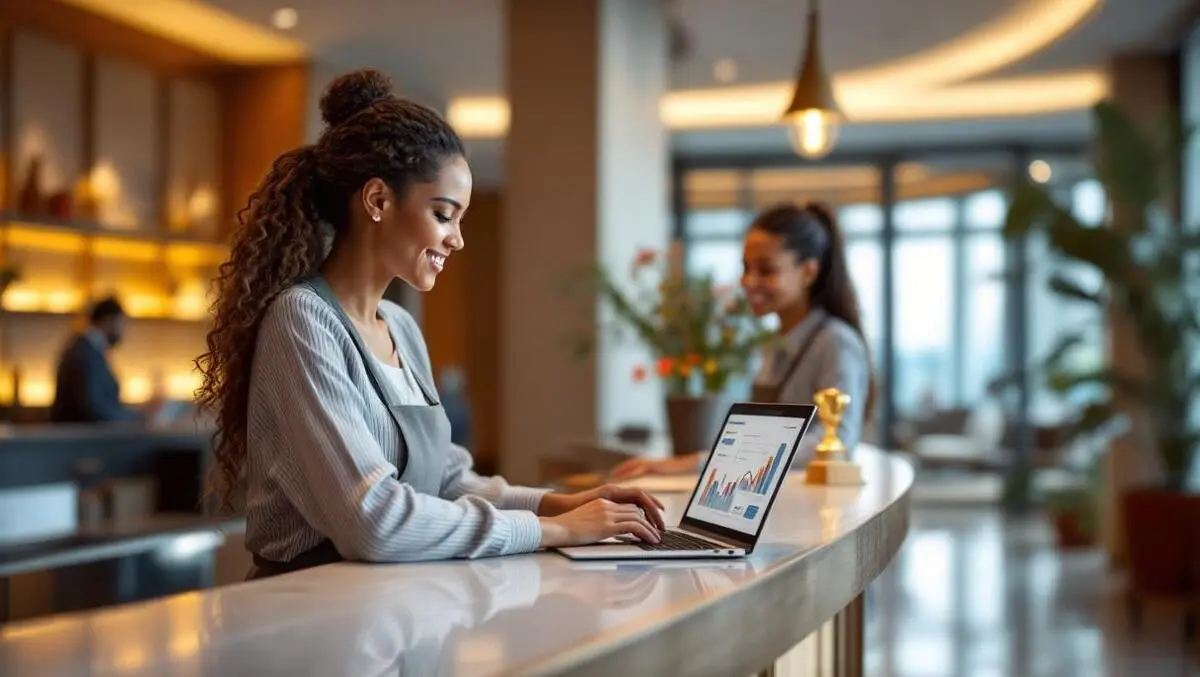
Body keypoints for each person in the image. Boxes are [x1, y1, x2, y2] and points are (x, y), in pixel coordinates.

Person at [194, 68, 664, 579]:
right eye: (444, 215)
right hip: (311, 609)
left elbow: (442, 477)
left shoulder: (399, 325)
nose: (456, 240)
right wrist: (557, 531)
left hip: (390, 599)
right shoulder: (302, 320)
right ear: (377, 201)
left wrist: (561, 503)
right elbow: (373, 521)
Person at [613, 202, 874, 479]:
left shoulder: (835, 341)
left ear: (808, 272)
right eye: (746, 268)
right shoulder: (773, 342)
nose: (749, 281)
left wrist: (700, 463)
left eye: (766, 270)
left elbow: (838, 443)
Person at [50, 296, 142, 423]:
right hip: (81, 439)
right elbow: (94, 409)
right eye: (122, 323)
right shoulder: (84, 353)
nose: (124, 331)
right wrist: (138, 418)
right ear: (108, 320)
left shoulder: (88, 349)